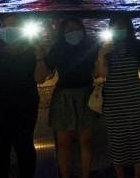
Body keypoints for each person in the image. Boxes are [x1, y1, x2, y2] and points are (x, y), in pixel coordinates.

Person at [0, 14, 50, 178]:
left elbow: (40, 78)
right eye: (5, 26)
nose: (9, 30)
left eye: (13, 26)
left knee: (24, 147)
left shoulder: (32, 51)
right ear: (0, 30)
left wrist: (39, 56)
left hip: (25, 107)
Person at [96, 16, 140, 178]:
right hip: (112, 101)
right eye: (115, 26)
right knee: (116, 140)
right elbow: (102, 75)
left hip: (133, 100)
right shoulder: (106, 48)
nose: (119, 29)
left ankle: (138, 175)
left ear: (129, 28)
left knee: (136, 138)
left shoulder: (138, 46)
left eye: (122, 26)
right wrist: (101, 55)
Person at [45, 18, 99, 178]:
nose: (73, 32)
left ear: (83, 30)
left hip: (86, 93)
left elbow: (96, 72)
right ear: (62, 33)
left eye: (76, 28)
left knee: (86, 141)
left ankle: (85, 175)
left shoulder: (91, 46)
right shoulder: (57, 49)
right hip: (64, 96)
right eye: (68, 30)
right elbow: (48, 74)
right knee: (63, 143)